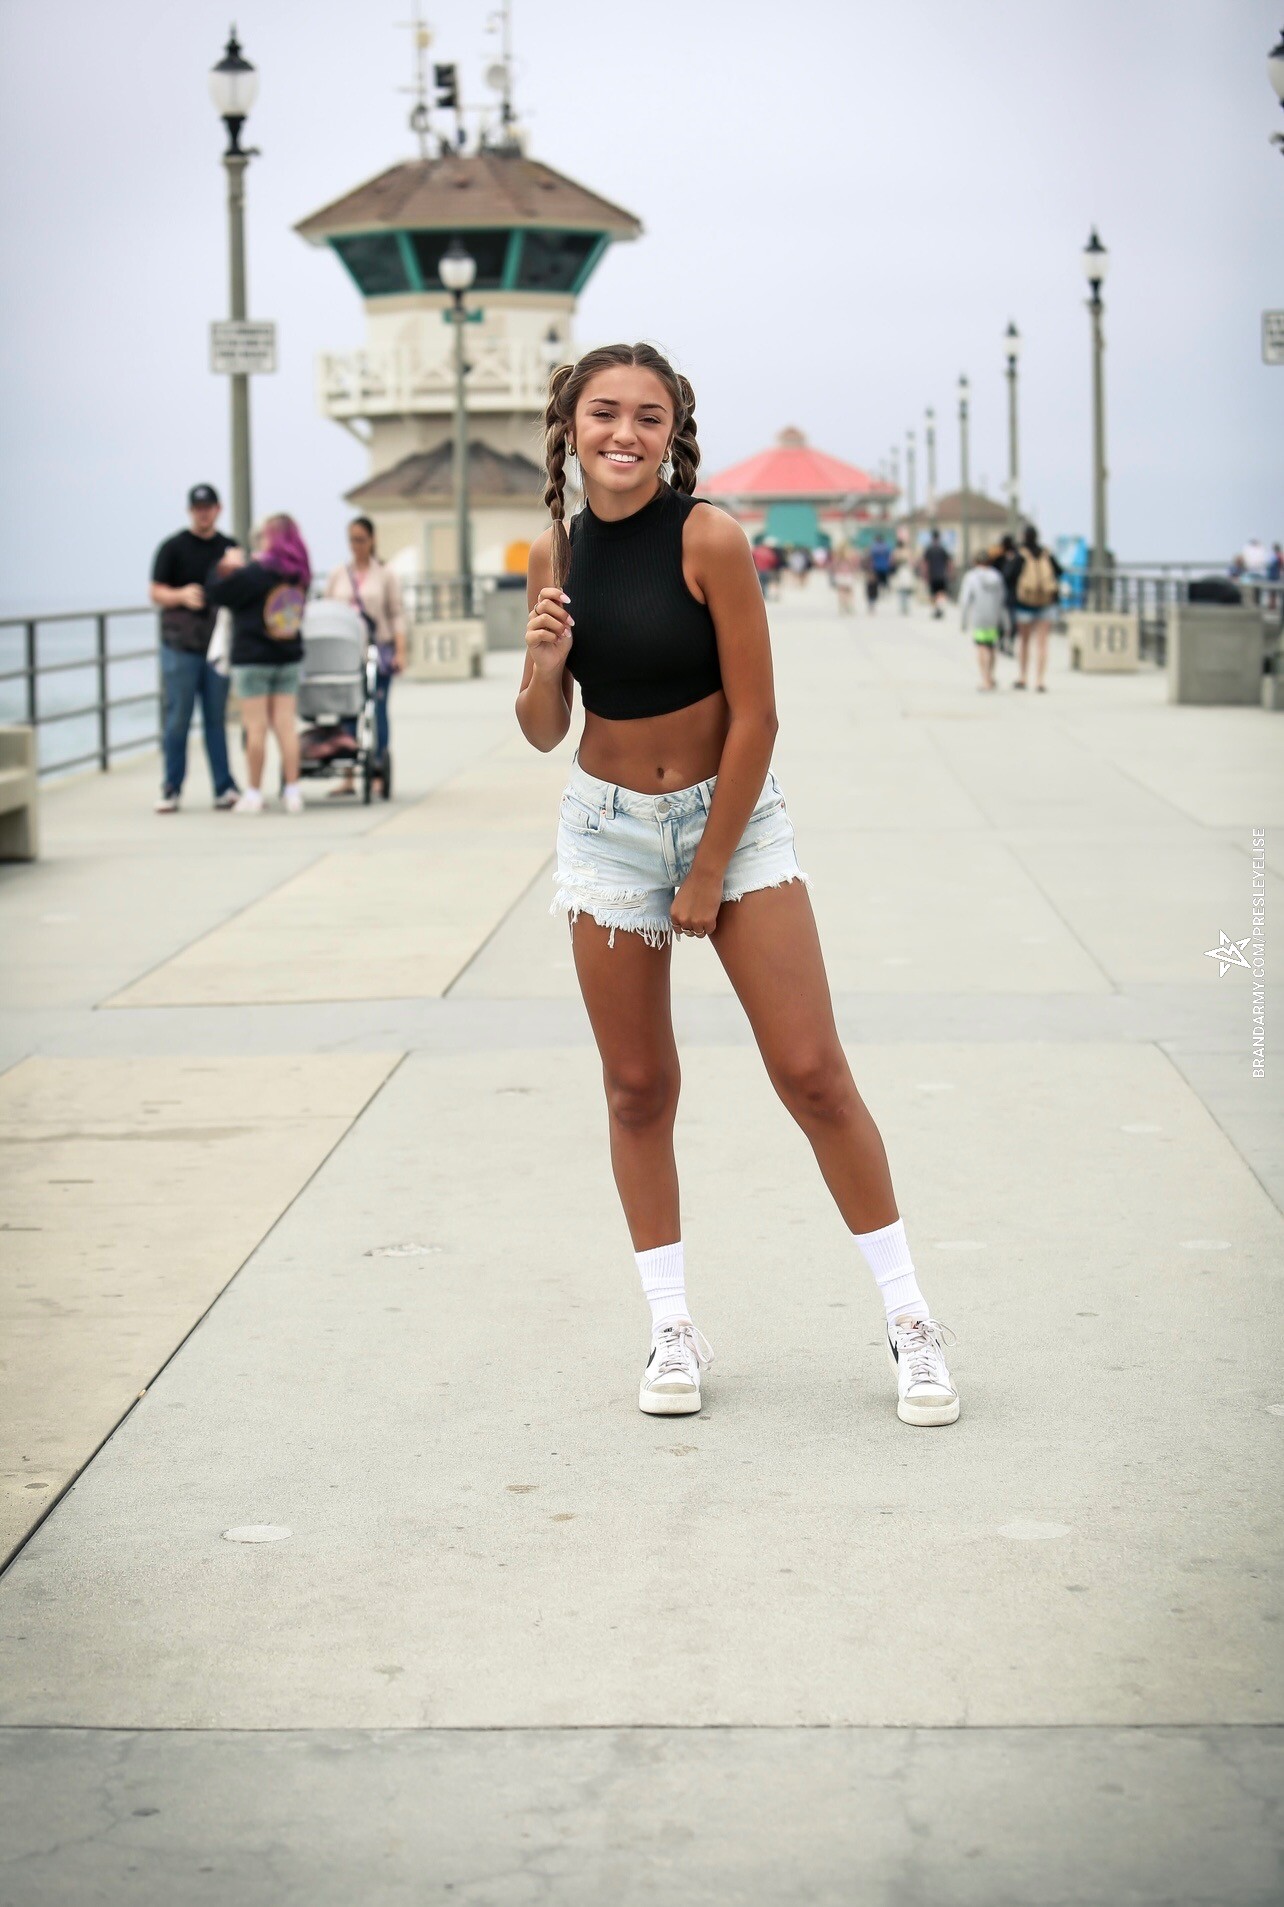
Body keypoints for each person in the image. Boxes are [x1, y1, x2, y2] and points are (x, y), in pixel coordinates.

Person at [517, 341, 959, 1427]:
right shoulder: (553, 551)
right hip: (607, 834)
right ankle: (671, 1324)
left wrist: (709, 865)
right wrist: (540, 663)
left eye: (649, 416)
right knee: (637, 1086)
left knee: (812, 1071)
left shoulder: (708, 535)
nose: (625, 433)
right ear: (570, 426)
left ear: (673, 433)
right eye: (604, 412)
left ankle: (911, 1319)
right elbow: (542, 729)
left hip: (736, 821)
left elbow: (757, 715)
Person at [200, 513, 312, 811]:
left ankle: (253, 792)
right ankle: (292, 790)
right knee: (286, 725)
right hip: (288, 656)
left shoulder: (254, 574)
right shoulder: (299, 575)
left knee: (255, 726)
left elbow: (216, 592)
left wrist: (224, 566)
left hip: (252, 659)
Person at [149, 483, 240, 814]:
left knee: (216, 718)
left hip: (217, 646)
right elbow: (155, 591)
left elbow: (242, 591)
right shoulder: (172, 547)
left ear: (218, 509)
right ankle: (171, 787)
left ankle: (224, 786)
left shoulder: (229, 548)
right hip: (180, 645)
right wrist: (181, 595)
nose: (203, 513)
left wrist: (236, 569)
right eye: (198, 508)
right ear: (191, 511)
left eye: (208, 507)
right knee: (178, 718)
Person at [322, 516, 408, 797]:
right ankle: (348, 775)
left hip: (376, 650)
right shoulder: (338, 574)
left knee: (377, 711)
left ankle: (378, 770)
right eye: (352, 540)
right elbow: (327, 612)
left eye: (361, 540)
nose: (356, 546)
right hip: (344, 654)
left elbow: (396, 614)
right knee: (347, 712)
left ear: (371, 540)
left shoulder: (385, 574)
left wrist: (400, 651)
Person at [1012, 523, 1062, 691]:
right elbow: (1059, 571)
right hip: (1046, 603)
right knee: (1042, 643)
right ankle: (1040, 680)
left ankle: (1023, 677)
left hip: (1024, 603)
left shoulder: (1021, 555)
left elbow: (1009, 575)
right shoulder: (1046, 554)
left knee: (1024, 641)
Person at [958, 549, 1008, 691]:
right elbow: (1002, 599)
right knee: (991, 647)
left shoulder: (971, 577)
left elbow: (965, 600)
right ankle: (991, 676)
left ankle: (985, 679)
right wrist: (1004, 620)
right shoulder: (997, 576)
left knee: (981, 647)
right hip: (994, 616)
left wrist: (963, 621)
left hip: (979, 616)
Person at [995, 534, 1022, 654]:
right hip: (1013, 594)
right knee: (1011, 621)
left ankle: (1004, 641)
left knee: (1005, 620)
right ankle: (1007, 642)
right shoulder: (1017, 557)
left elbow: (1004, 575)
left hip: (1006, 594)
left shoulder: (1006, 558)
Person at [922, 530, 951, 617]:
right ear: (939, 537)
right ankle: (940, 608)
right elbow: (949, 562)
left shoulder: (929, 549)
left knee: (933, 594)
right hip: (942, 575)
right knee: (941, 593)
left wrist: (925, 574)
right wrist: (949, 573)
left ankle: (935, 610)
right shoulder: (943, 549)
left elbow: (925, 564)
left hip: (932, 575)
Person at [891, 538, 916, 615]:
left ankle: (903, 606)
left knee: (901, 589)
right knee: (905, 589)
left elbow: (893, 562)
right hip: (906, 571)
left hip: (900, 571)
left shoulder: (896, 552)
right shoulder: (907, 551)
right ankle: (906, 606)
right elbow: (912, 562)